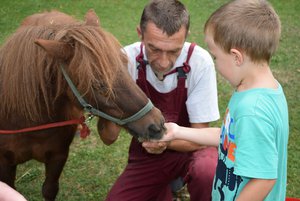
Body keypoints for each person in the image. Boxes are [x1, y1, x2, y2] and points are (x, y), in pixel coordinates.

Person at [160, 0, 289, 200]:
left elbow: (263, 180)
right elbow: (230, 138)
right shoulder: (264, 90)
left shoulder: (252, 110)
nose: (216, 64)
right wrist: (177, 130)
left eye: (215, 57)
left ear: (236, 57)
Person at [102, 0, 220, 200]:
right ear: (140, 33)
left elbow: (200, 135)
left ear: (185, 38)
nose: (164, 61)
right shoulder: (125, 60)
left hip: (192, 148)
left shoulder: (200, 61)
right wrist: (108, 96)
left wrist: (162, 141)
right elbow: (108, 138)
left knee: (208, 171)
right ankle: (165, 189)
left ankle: (178, 184)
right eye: (154, 49)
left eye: (174, 50)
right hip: (148, 153)